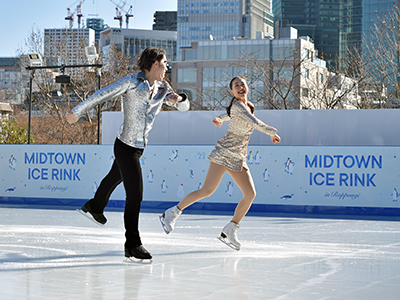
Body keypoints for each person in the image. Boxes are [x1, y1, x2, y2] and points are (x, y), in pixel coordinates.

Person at [66, 47, 190, 260]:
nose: (167, 66)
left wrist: (180, 99)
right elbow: (102, 94)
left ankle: (95, 206)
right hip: (124, 146)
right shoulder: (131, 82)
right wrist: (76, 112)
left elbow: (183, 108)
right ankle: (132, 243)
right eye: (164, 62)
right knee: (135, 195)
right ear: (154, 64)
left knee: (114, 178)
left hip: (139, 147)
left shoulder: (163, 87)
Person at [159, 76, 280, 251]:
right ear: (232, 91)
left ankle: (230, 229)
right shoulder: (239, 106)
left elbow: (232, 115)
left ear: (247, 87)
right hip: (224, 153)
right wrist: (271, 132)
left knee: (250, 194)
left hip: (238, 156)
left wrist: (220, 118)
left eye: (242, 84)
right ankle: (172, 212)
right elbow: (253, 122)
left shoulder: (248, 106)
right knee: (207, 191)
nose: (240, 87)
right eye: (236, 86)